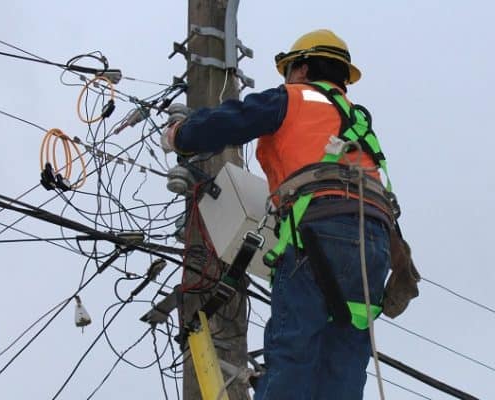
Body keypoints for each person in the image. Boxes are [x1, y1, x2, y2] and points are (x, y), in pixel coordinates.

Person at [162, 29, 395, 400]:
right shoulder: (357, 119)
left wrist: (181, 135)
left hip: (318, 231)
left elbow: (229, 122)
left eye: (288, 71)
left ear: (301, 69)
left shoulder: (294, 97)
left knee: (294, 350)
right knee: (345, 359)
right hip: (374, 246)